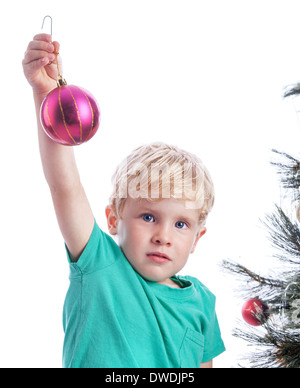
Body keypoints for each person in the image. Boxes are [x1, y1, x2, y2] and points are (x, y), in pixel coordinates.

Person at [22, 33, 225, 368]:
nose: (163, 235)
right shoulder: (100, 265)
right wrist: (47, 94)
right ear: (114, 218)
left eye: (181, 224)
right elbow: (64, 187)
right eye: (148, 217)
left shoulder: (201, 301)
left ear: (197, 238)